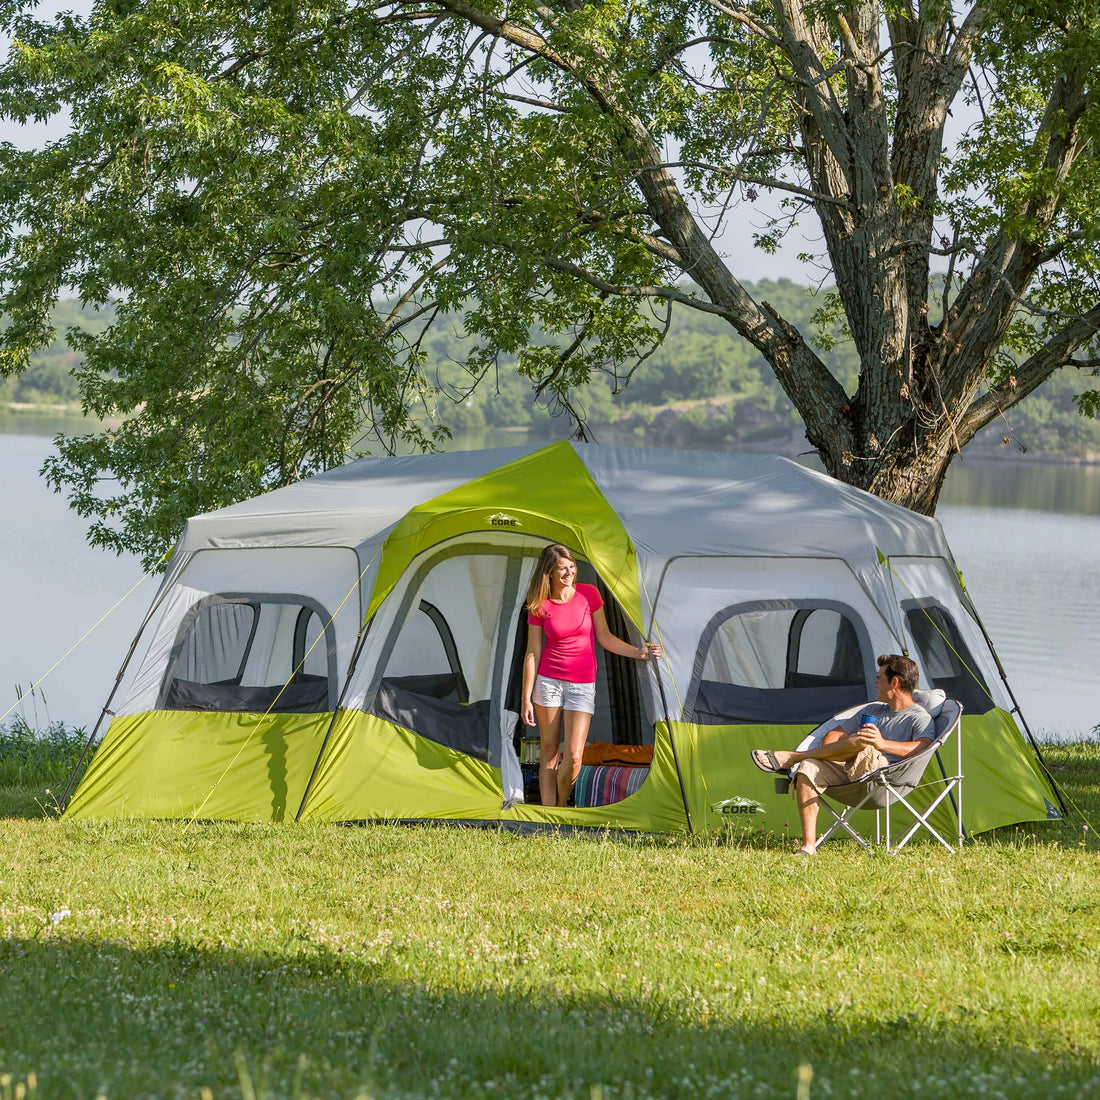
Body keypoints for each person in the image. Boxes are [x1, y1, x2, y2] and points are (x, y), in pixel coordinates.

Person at [751, 654, 934, 855]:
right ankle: (809, 846)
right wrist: (835, 752)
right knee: (808, 768)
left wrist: (881, 743)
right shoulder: (874, 709)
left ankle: (793, 757)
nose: (875, 685)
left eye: (879, 679)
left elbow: (923, 748)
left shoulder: (919, 717)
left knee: (864, 741)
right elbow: (834, 734)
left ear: (895, 682)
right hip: (850, 772)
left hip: (884, 780)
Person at [521, 543, 660, 807]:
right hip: (548, 682)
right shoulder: (540, 604)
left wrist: (639, 653)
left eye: (571, 567)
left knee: (574, 756)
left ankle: (562, 805)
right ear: (549, 573)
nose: (569, 573)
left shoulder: (589, 594)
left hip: (582, 684)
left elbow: (605, 638)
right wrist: (525, 697)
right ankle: (551, 815)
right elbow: (532, 653)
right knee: (549, 752)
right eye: (562, 569)